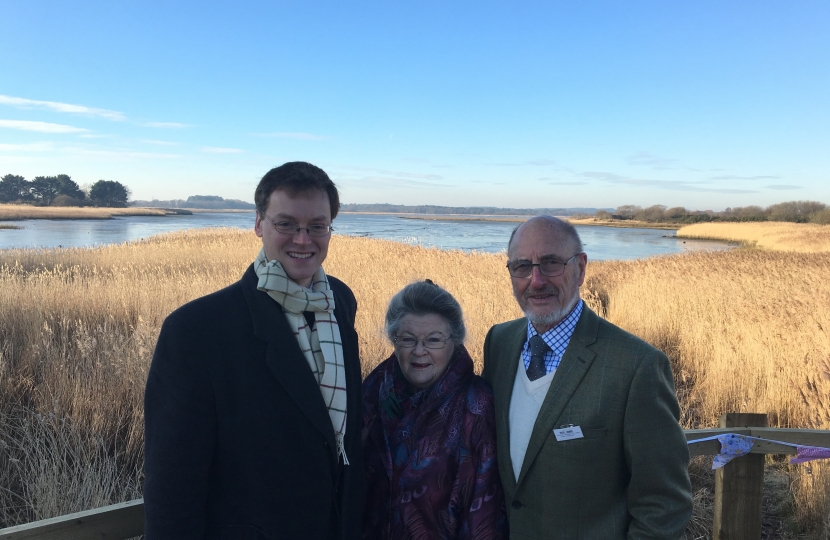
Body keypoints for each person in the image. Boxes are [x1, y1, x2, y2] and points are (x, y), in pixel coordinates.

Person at [144, 162, 363, 539]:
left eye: (317, 226)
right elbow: (172, 482)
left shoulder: (339, 301)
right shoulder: (196, 329)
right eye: (286, 224)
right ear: (259, 223)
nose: (303, 239)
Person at [482, 215, 693, 539]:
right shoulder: (499, 343)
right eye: (522, 266)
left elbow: (664, 504)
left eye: (551, 263)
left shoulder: (637, 367)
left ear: (580, 268)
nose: (536, 280)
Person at [362, 280, 506, 540]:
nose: (419, 351)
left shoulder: (475, 407)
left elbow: (484, 517)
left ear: (455, 340)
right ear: (394, 339)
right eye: (408, 339)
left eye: (434, 340)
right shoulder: (372, 391)